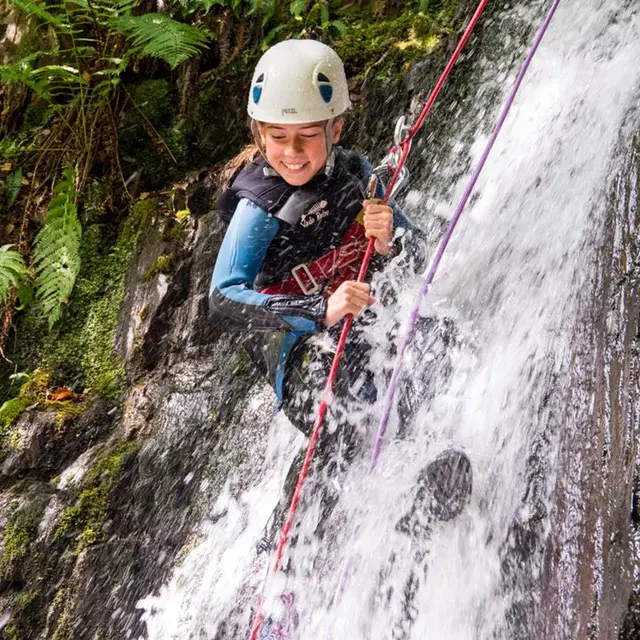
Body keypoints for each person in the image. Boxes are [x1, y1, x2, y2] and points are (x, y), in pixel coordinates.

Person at [208, 38, 472, 637]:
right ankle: (281, 587)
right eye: (277, 137)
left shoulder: (359, 179)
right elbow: (223, 296)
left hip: (355, 328)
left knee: (438, 343)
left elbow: (419, 253)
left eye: (306, 135)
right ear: (258, 133)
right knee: (344, 409)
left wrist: (389, 241)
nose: (292, 151)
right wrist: (317, 310)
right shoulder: (260, 206)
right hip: (298, 353)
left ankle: (421, 487)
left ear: (337, 126)